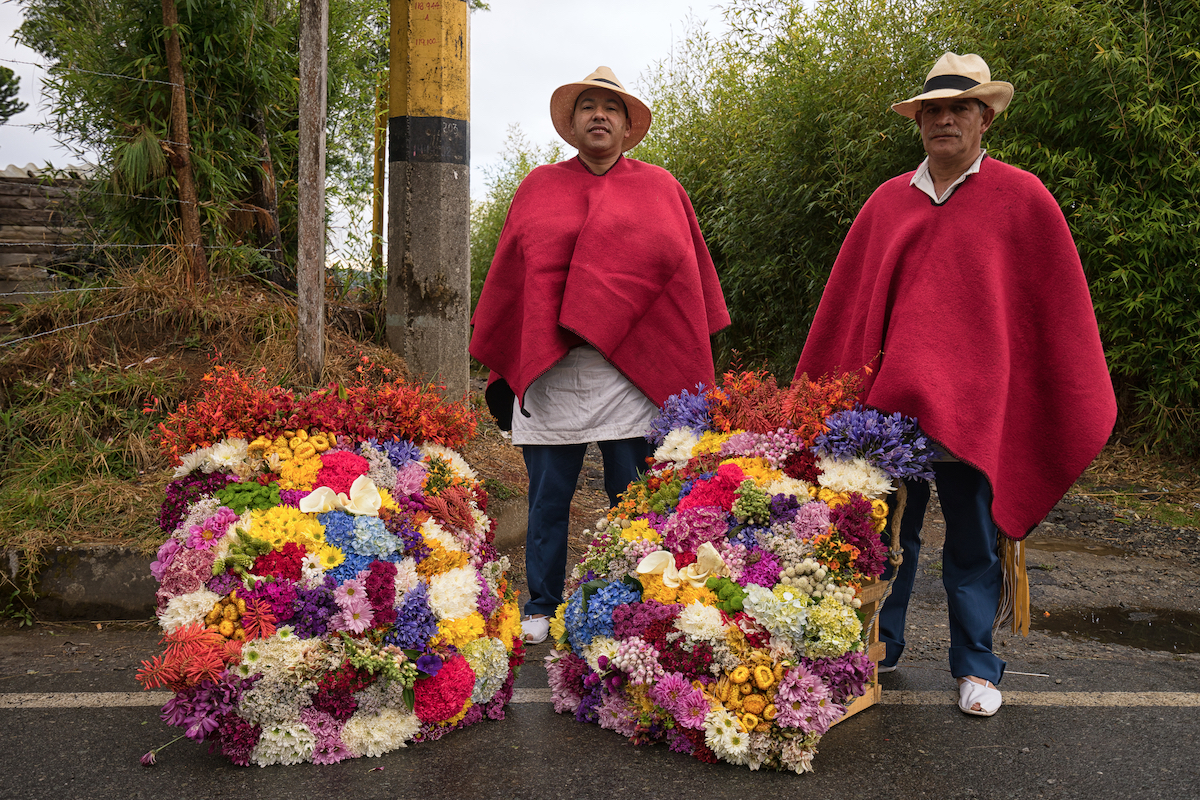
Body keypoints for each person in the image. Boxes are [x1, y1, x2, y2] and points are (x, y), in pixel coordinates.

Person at [793, 53, 1116, 716]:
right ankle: (875, 652)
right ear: (919, 122)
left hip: (979, 414)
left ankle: (976, 667)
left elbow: (1047, 314)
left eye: (958, 108)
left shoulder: (1021, 198)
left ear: (984, 118)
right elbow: (851, 310)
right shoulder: (887, 202)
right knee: (882, 540)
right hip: (889, 418)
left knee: (973, 539)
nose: (943, 119)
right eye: (932, 110)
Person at [470, 67, 730, 645]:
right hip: (553, 366)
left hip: (631, 369)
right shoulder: (538, 186)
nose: (599, 116)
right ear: (572, 122)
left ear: (627, 123)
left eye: (610, 107)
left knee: (632, 496)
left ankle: (632, 597)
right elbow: (517, 279)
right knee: (548, 499)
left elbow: (682, 279)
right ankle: (541, 603)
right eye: (588, 106)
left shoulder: (661, 188)